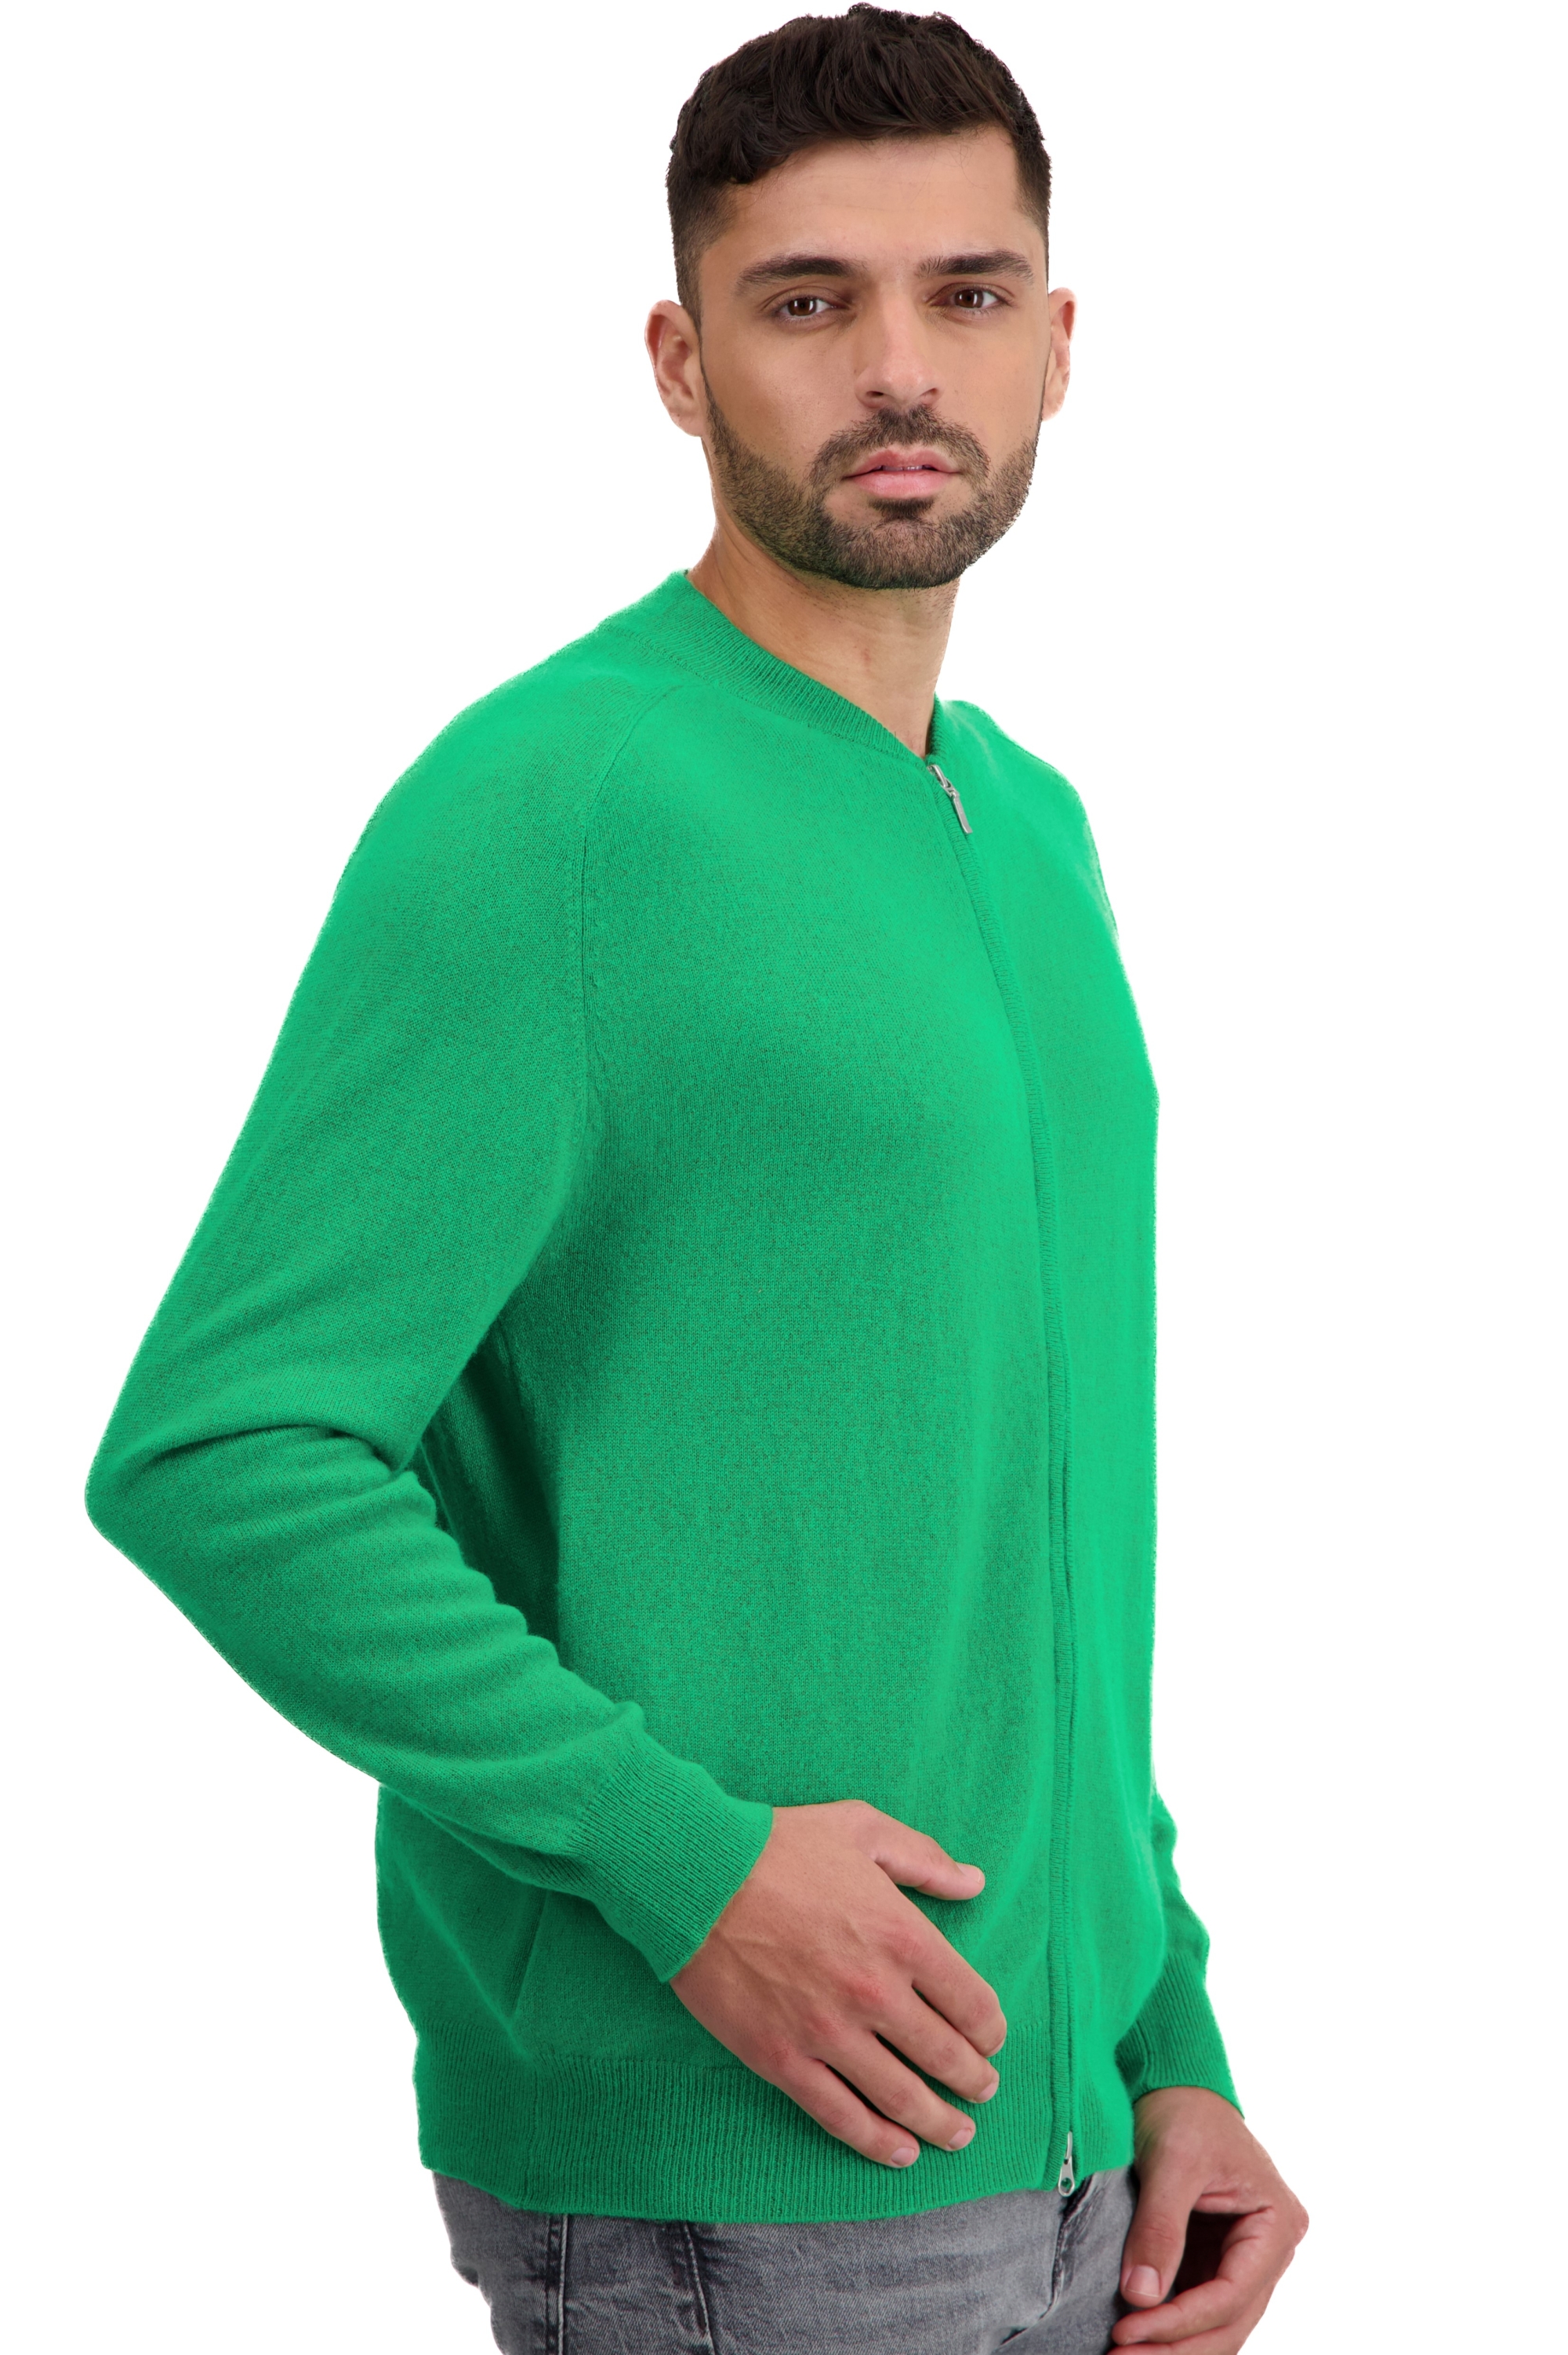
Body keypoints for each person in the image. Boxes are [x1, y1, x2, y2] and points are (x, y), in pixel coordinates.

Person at [85, 8, 1308, 2350]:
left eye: (965, 294)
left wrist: (1172, 2038)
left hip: (1076, 2178)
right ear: (679, 361)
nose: (898, 368)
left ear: (1060, 345)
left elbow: (1032, 1517)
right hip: (726, 2199)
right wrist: (691, 1865)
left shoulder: (1028, 823)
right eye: (806, 299)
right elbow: (223, 1452)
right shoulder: (556, 806)